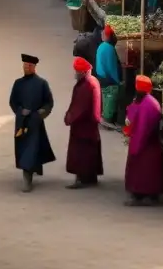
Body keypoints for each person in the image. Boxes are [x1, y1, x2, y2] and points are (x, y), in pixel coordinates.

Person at [9, 54, 55, 192]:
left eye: (28, 66)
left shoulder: (42, 83)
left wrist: (40, 113)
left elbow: (49, 102)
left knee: (32, 148)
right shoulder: (18, 83)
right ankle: (30, 170)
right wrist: (20, 111)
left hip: (35, 122)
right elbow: (12, 101)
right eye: (24, 66)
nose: (26, 68)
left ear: (34, 67)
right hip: (21, 122)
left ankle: (27, 178)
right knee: (24, 148)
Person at [123, 75, 163, 206]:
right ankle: (146, 195)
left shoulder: (147, 105)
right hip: (149, 143)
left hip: (146, 144)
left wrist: (135, 146)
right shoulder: (146, 100)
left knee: (144, 171)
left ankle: (145, 196)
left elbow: (143, 129)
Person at [63, 56, 103, 189]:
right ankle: (91, 177)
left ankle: (80, 178)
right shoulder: (93, 81)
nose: (75, 74)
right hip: (91, 124)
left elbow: (79, 107)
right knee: (90, 151)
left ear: (83, 72)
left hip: (83, 125)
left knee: (81, 152)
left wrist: (69, 118)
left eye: (77, 72)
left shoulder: (86, 86)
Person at [95, 25, 122, 123]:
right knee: (111, 96)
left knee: (105, 97)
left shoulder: (101, 46)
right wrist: (117, 81)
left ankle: (104, 115)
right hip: (108, 78)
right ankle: (107, 118)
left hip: (100, 76)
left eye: (103, 33)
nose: (101, 35)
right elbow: (112, 67)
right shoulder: (109, 49)